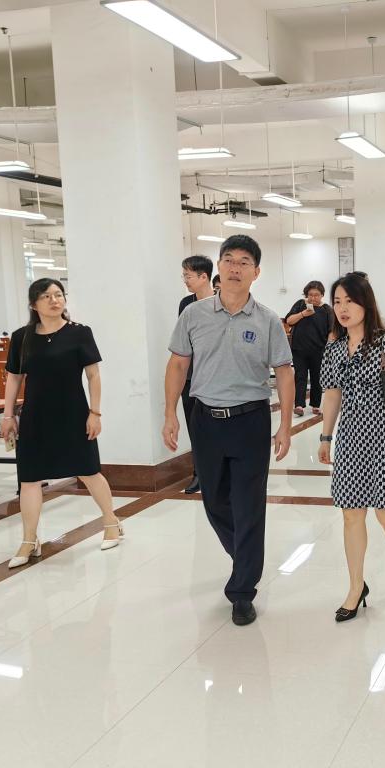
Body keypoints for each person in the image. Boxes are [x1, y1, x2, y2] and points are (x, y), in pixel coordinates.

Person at [163, 234, 294, 627]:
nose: (236, 268)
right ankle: (245, 555)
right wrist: (170, 413)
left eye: (244, 262)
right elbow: (178, 365)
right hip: (205, 419)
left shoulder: (268, 320)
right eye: (229, 260)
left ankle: (242, 591)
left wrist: (286, 425)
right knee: (215, 501)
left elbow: (284, 373)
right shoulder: (194, 315)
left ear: (256, 272)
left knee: (249, 505)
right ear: (218, 267)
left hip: (251, 420)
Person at [318, 273, 385, 622]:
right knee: (351, 514)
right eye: (337, 302)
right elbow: (332, 395)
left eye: (350, 301)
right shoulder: (334, 349)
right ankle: (355, 587)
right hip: (351, 437)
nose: (343, 308)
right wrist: (326, 436)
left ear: (366, 303)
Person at [0, 278, 122, 569]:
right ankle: (29, 540)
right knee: (29, 478)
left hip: (74, 413)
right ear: (34, 304)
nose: (54, 300)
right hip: (35, 416)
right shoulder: (22, 337)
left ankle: (111, 522)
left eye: (58, 295)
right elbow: (14, 378)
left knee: (88, 470)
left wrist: (95, 413)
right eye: (46, 296)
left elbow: (93, 375)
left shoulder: (79, 333)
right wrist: (7, 415)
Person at [178, 255, 215, 495]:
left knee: (215, 427)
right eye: (184, 275)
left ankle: (216, 472)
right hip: (191, 376)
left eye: (188, 275)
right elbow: (183, 339)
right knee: (195, 426)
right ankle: (198, 473)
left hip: (214, 375)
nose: (185, 280)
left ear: (204, 277)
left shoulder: (221, 301)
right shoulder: (186, 304)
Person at [285, 280, 332, 417]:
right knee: (300, 377)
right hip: (299, 349)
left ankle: (316, 405)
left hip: (319, 350)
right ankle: (299, 405)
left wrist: (329, 347)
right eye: (310, 295)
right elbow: (289, 321)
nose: (313, 298)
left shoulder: (326, 310)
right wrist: (303, 314)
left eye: (316, 295)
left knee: (317, 378)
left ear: (322, 295)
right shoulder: (300, 304)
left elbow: (331, 330)